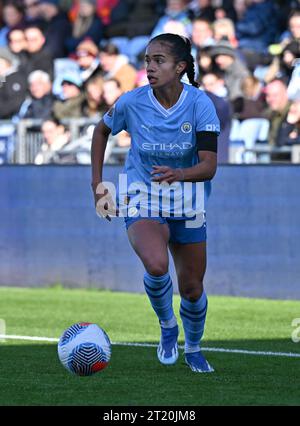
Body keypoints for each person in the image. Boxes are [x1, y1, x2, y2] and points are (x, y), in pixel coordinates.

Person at [91, 33, 220, 373]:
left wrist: (179, 174)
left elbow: (209, 166)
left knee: (192, 289)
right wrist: (99, 185)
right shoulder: (132, 101)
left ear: (180, 67)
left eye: (158, 60)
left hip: (188, 198)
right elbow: (100, 131)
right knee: (156, 265)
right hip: (141, 194)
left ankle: (193, 348)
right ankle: (166, 327)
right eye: (147, 60)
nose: (149, 67)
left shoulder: (199, 104)